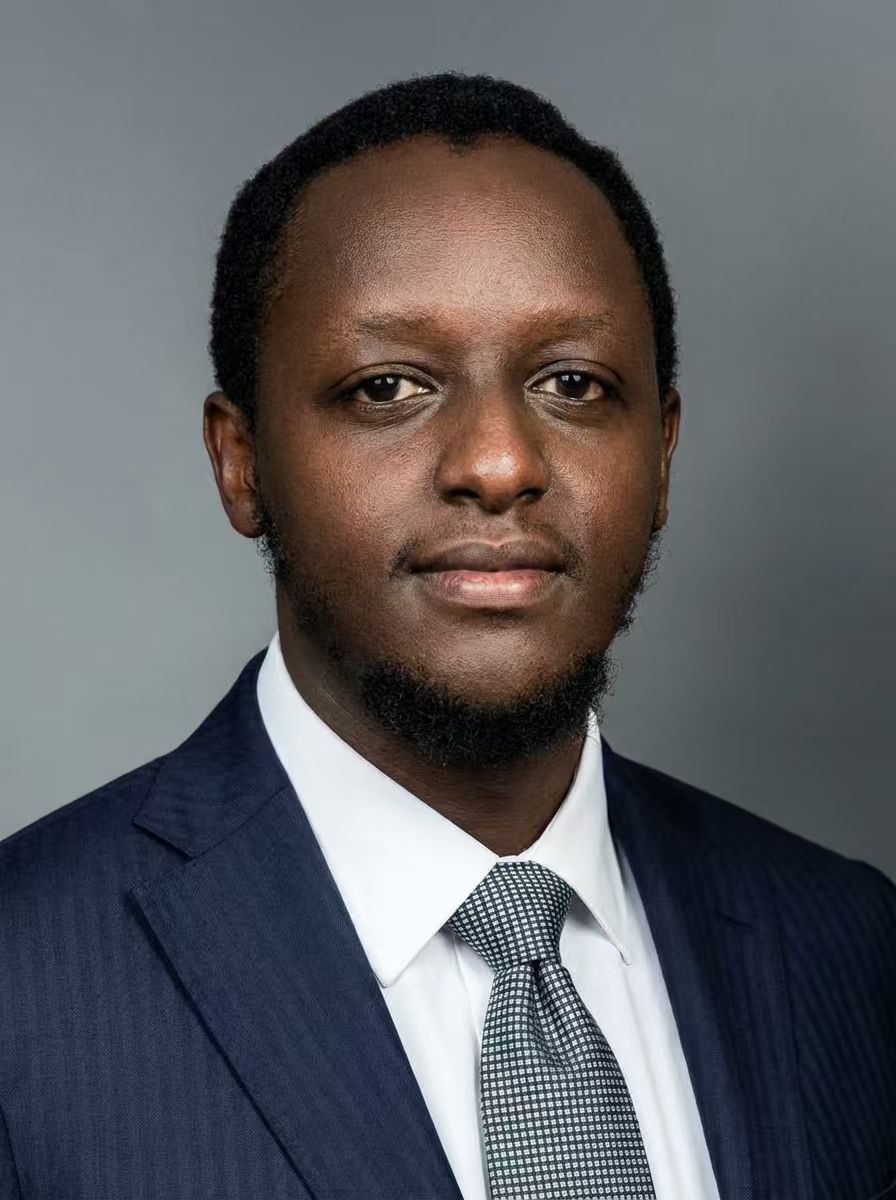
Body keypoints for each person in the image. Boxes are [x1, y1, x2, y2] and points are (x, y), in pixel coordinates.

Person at [0, 71, 893, 1200]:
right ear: (241, 463)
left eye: (572, 382)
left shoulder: (849, 949)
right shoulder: (24, 986)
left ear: (661, 456)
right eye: (387, 388)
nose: (498, 463)